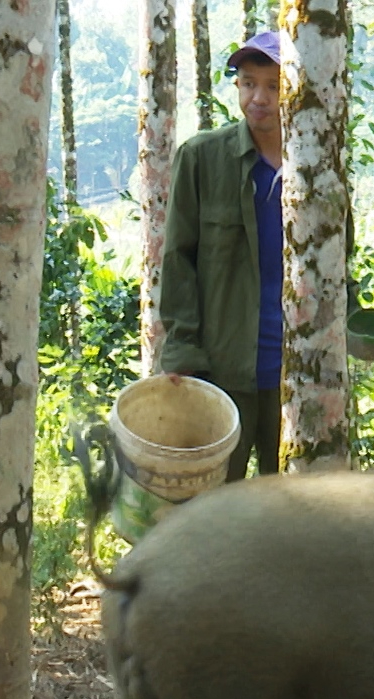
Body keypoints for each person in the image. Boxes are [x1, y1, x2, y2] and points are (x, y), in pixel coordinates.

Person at [157, 30, 287, 480]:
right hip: (223, 370)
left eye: (274, 85)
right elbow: (178, 258)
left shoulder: (315, 164)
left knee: (295, 509)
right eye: (250, 83)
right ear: (237, 86)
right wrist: (180, 348)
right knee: (214, 501)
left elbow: (337, 262)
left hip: (294, 373)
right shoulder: (201, 159)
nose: (260, 98)